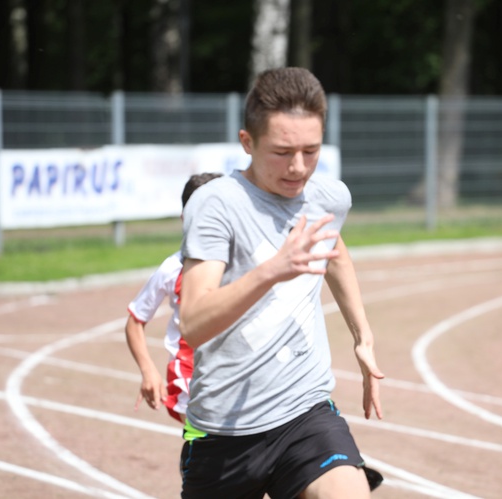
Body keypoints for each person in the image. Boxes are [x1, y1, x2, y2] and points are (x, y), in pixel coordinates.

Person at [178, 67, 385, 499]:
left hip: (304, 413)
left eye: (311, 151)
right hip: (224, 430)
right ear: (247, 143)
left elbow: (336, 253)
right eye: (282, 152)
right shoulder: (216, 205)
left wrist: (362, 336)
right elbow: (194, 322)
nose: (298, 168)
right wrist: (273, 269)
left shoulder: (328, 197)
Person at [124, 172, 222, 423]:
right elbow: (136, 320)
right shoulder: (172, 268)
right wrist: (148, 372)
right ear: (185, 219)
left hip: (236, 374)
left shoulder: (244, 262)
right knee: (210, 452)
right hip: (190, 381)